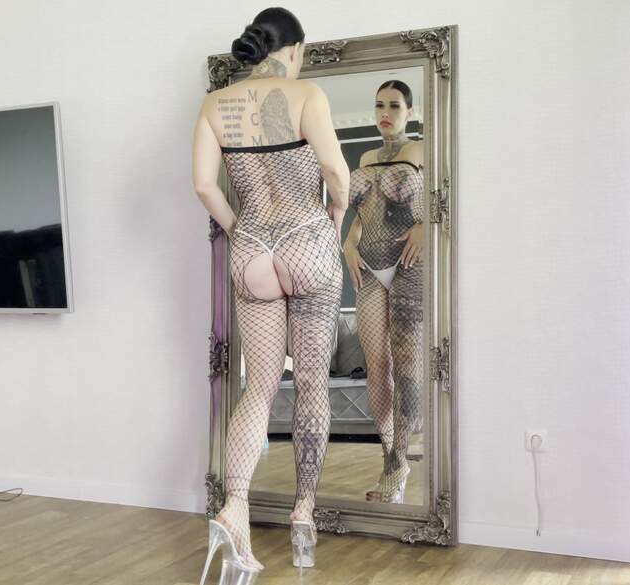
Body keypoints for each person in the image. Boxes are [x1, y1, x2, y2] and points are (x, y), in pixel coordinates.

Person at [191, 7, 349, 583]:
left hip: (252, 247)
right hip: (307, 238)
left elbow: (204, 185)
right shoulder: (307, 94)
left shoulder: (215, 104)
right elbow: (335, 172)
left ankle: (234, 508)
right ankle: (303, 517)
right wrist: (335, 219)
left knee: (257, 387)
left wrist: (240, 229)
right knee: (310, 384)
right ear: (295, 49)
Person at [342, 80, 425, 504]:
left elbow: (441, 200)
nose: (385, 113)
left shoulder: (423, 149)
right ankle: (390, 455)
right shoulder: (365, 158)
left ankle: (398, 464)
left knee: (407, 364)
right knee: (377, 365)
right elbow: (363, 212)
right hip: (371, 268)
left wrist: (425, 227)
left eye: (394, 105)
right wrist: (348, 243)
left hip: (409, 264)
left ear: (409, 111)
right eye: (379, 106)